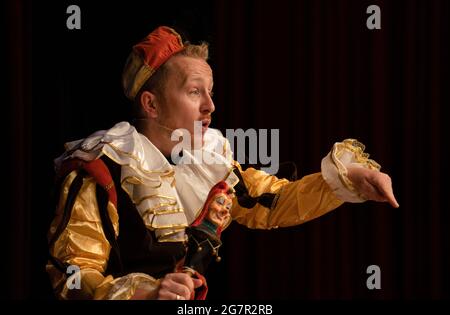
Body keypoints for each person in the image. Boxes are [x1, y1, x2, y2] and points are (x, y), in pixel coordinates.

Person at [46, 26, 399, 300]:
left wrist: (350, 176)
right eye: (195, 91)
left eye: (211, 92)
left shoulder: (212, 166)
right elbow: (72, 272)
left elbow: (272, 203)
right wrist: (144, 292)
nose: (210, 107)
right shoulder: (101, 171)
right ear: (151, 105)